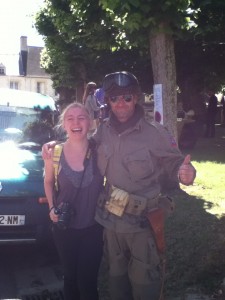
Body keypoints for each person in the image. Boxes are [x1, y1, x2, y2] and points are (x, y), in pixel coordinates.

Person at [43, 71, 196, 300]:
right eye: (114, 98)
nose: (120, 103)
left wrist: (186, 173)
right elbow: (82, 143)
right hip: (111, 224)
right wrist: (57, 145)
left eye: (126, 97)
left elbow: (176, 163)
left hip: (142, 225)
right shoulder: (103, 131)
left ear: (136, 98)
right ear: (108, 102)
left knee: (144, 287)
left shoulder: (155, 133)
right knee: (116, 286)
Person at [43, 102, 104, 300]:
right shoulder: (55, 153)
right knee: (70, 279)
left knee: (87, 283)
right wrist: (52, 207)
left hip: (93, 228)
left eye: (81, 118)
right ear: (64, 124)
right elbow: (49, 181)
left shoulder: (100, 150)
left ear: (90, 122)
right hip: (64, 229)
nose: (76, 123)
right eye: (70, 118)